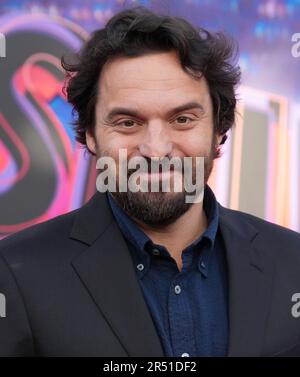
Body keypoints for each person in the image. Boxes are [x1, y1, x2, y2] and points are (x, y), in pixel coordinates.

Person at [1, 7, 300, 357]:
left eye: (183, 119)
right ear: (92, 135)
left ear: (219, 129)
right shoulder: (15, 273)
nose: (156, 149)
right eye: (128, 122)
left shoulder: (292, 263)